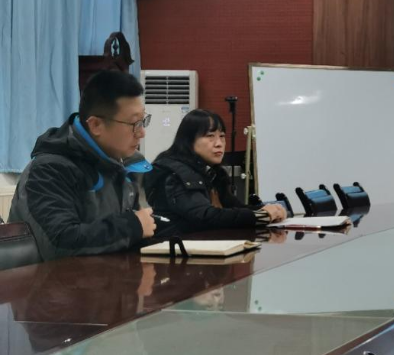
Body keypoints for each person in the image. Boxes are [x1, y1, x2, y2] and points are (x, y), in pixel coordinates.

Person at [9, 71, 156, 261]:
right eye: (134, 123)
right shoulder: (48, 170)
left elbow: (133, 234)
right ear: (96, 125)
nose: (142, 133)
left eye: (143, 121)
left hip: (107, 276)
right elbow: (60, 243)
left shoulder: (125, 163)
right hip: (45, 279)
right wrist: (132, 227)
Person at [145, 109, 286, 236]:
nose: (219, 143)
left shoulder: (212, 172)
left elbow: (234, 208)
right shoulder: (176, 173)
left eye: (222, 136)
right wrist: (259, 216)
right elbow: (204, 216)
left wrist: (267, 210)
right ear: (189, 140)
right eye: (210, 136)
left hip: (206, 245)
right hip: (177, 248)